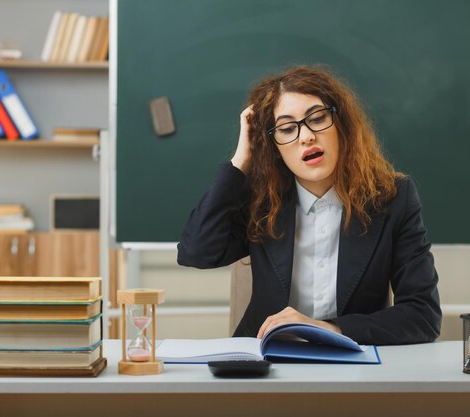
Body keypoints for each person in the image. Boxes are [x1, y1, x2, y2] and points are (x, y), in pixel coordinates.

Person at [177, 65, 441, 345]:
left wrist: (329, 329)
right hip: (266, 364)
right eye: (287, 128)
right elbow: (196, 253)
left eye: (316, 119)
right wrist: (240, 162)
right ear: (272, 146)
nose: (306, 137)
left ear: (342, 124)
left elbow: (422, 315)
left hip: (354, 368)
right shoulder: (262, 200)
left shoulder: (393, 198)